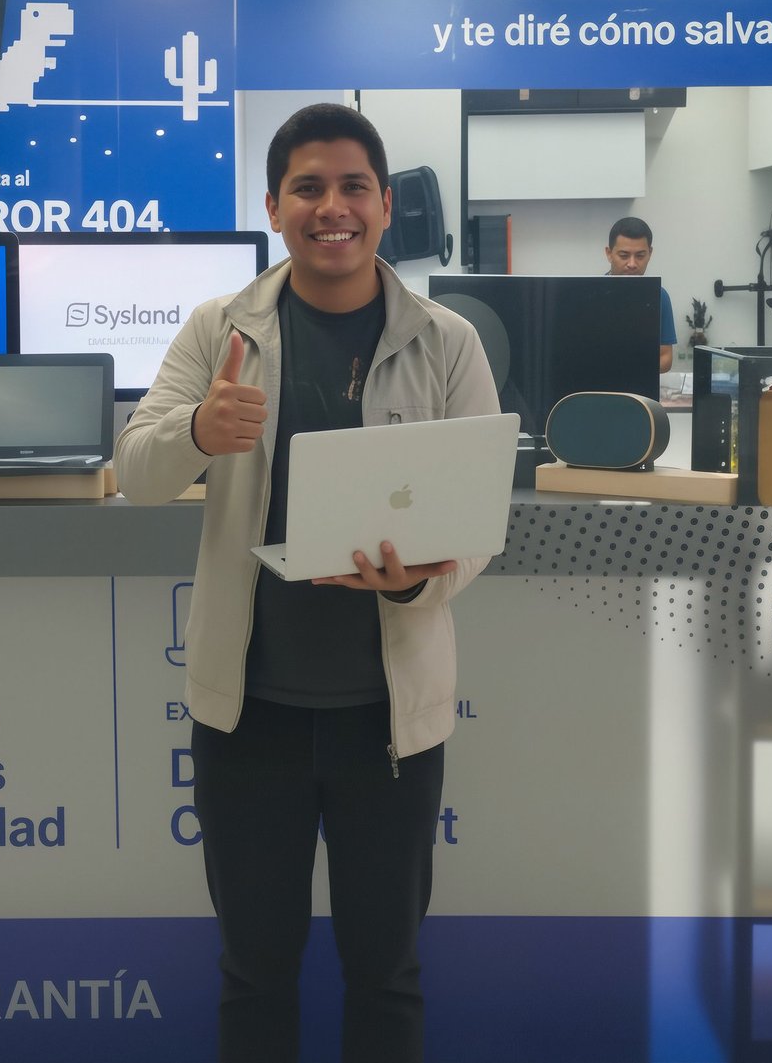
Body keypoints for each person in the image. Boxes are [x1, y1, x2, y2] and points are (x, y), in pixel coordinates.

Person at [116, 103, 500, 1063]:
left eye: (354, 186)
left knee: (386, 969)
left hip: (389, 719)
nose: (333, 207)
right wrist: (199, 432)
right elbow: (136, 468)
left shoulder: (445, 339)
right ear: (276, 204)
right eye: (309, 188)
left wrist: (419, 582)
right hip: (251, 716)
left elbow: (480, 524)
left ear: (383, 205)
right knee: (255, 969)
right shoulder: (222, 328)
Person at [604, 215, 678, 372]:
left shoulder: (659, 296)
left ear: (650, 253)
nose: (632, 264)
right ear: (609, 253)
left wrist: (629, 369)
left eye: (640, 256)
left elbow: (665, 358)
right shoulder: (590, 294)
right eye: (624, 256)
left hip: (640, 391)